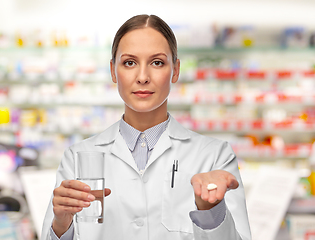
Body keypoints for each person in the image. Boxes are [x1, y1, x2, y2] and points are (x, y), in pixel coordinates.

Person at [40, 14, 251, 240]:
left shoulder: (214, 155)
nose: (142, 77)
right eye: (129, 63)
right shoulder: (77, 157)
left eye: (157, 62)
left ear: (176, 70)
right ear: (113, 71)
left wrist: (210, 211)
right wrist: (61, 224)